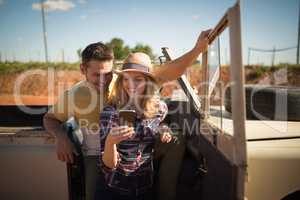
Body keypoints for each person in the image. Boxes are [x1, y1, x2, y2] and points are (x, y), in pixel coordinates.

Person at [43, 29, 210, 200]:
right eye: (96, 75)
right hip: (98, 150)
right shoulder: (74, 96)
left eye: (108, 74)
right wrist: (61, 137)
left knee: (177, 139)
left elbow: (168, 72)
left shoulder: (125, 78)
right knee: (94, 192)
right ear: (82, 69)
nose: (104, 81)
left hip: (138, 142)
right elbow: (50, 119)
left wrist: (197, 49)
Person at [96, 53, 173, 199]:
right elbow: (108, 165)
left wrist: (164, 130)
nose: (130, 85)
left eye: (138, 79)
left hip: (145, 187)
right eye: (126, 79)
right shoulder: (110, 113)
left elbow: (161, 122)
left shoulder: (160, 108)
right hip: (114, 189)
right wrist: (110, 142)